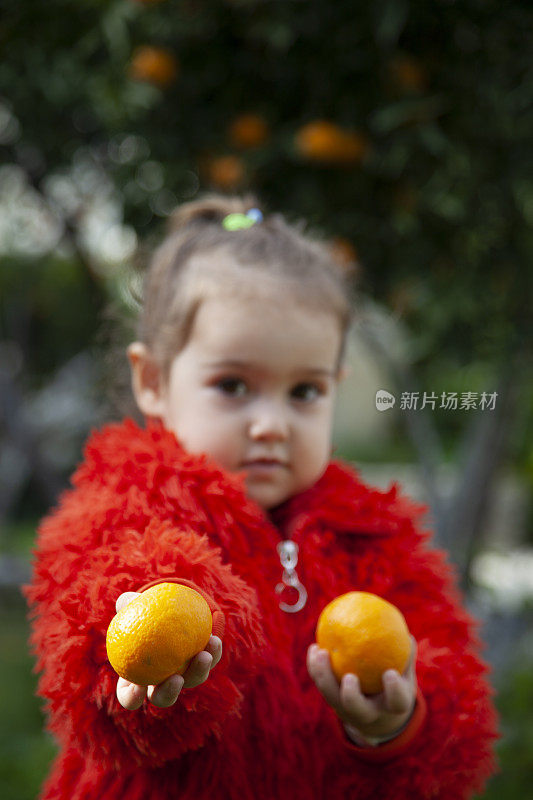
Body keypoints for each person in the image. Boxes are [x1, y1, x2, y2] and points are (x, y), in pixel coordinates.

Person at [25, 194, 498, 800]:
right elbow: (92, 619)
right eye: (234, 385)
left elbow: (452, 680)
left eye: (304, 391)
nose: (272, 423)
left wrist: (398, 721)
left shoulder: (374, 534)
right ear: (153, 382)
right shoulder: (123, 506)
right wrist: (147, 655)